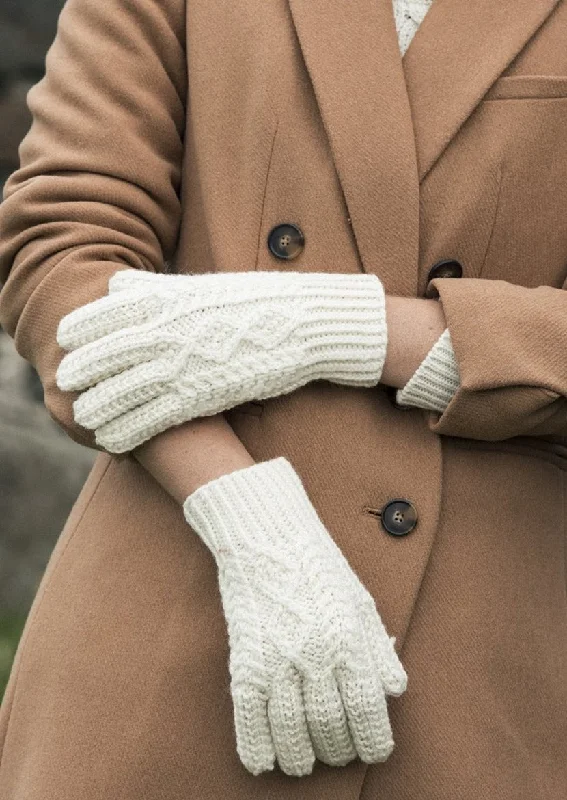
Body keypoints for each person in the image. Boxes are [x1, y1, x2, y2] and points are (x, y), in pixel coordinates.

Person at [0, 0, 566, 797]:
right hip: (173, 620)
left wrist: (341, 329)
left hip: (472, 679)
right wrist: (249, 522)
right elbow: (63, 255)